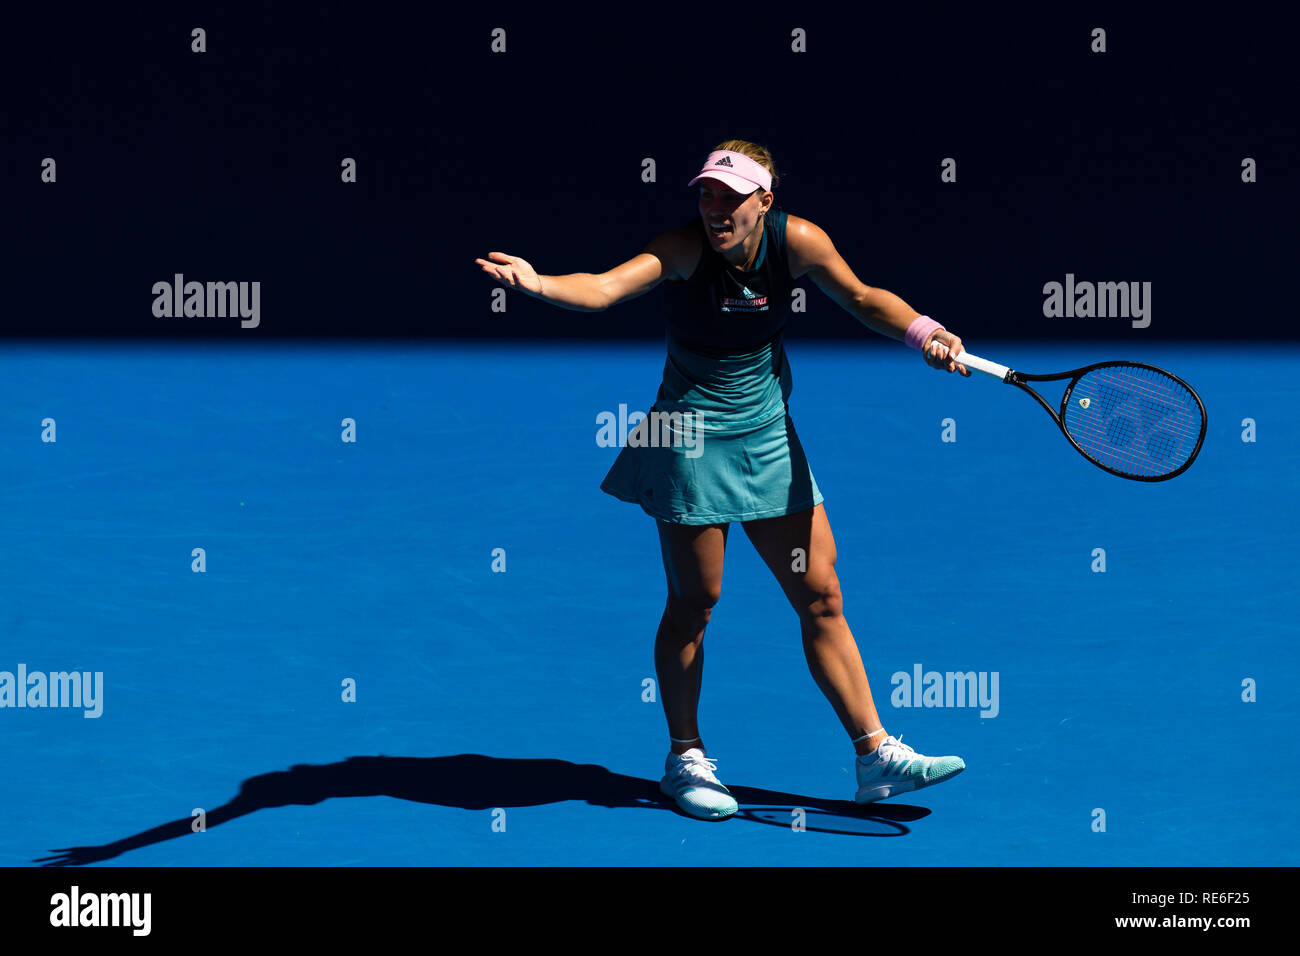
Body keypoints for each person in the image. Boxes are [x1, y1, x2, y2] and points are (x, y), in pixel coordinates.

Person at [476, 140, 969, 821]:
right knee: (695, 603)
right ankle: (685, 759)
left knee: (821, 594)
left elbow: (860, 296)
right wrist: (540, 283)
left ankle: (875, 756)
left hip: (767, 437)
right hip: (690, 439)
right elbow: (604, 285)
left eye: (730, 197)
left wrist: (925, 333)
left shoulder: (797, 241)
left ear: (765, 201)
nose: (714, 209)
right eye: (706, 194)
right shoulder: (680, 250)